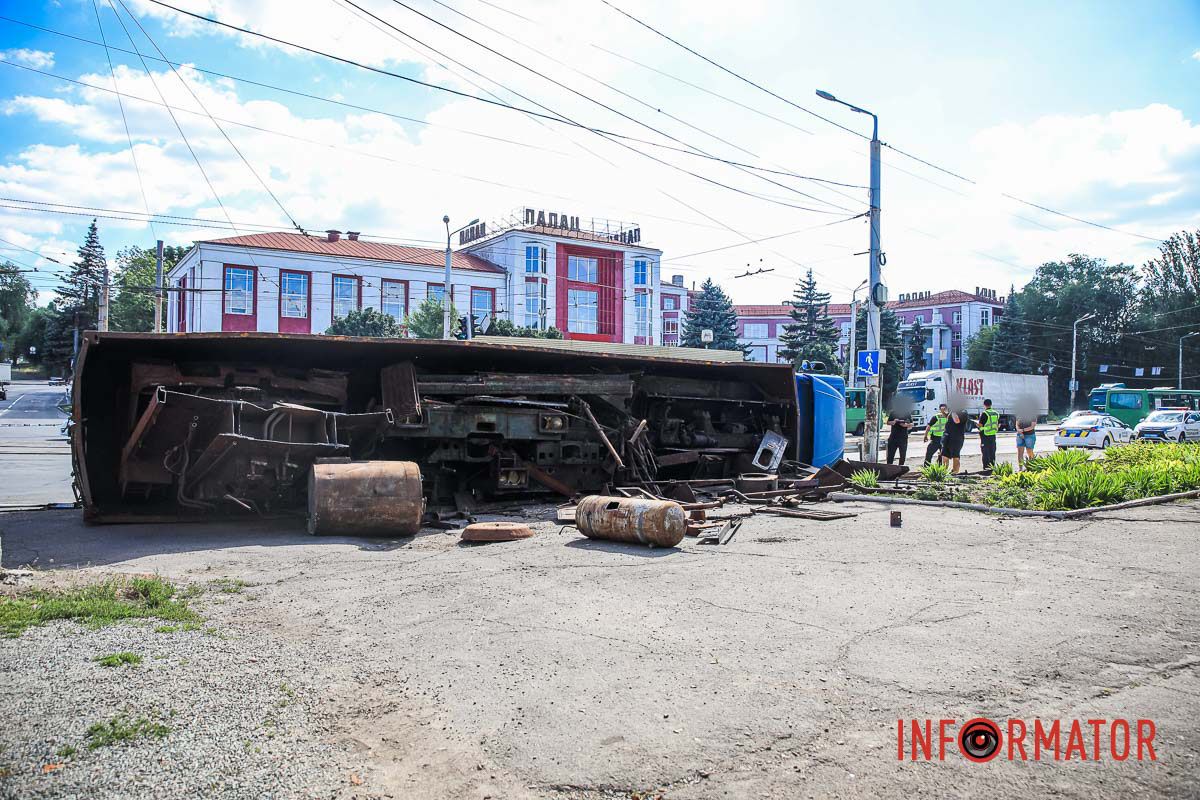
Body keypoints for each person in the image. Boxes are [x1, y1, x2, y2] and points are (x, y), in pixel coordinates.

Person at [940, 407, 968, 474]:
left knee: (955, 456)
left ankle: (955, 472)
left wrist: (953, 411)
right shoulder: (952, 412)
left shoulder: (963, 413)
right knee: (944, 455)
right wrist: (943, 412)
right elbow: (949, 417)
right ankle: (943, 473)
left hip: (956, 438)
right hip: (947, 437)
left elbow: (957, 420)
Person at [977, 398, 1000, 471]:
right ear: (991, 404)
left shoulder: (984, 413)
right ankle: (992, 466)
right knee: (992, 451)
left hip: (985, 435)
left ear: (984, 405)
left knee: (985, 452)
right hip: (993, 435)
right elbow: (998, 424)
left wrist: (977, 425)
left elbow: (980, 425)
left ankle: (986, 467)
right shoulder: (996, 413)